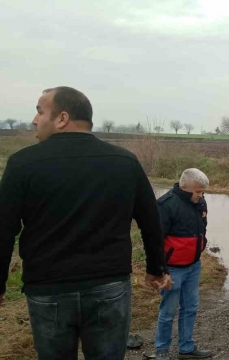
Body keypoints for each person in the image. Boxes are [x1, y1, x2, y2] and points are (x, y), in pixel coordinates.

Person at [0, 86, 171, 360]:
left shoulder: (23, 164)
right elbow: (151, 220)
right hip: (109, 286)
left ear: (62, 118)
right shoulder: (124, 162)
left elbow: (3, 231)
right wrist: (156, 269)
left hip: (48, 289)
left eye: (39, 111)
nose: (34, 120)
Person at [154, 168, 213, 359]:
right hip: (172, 268)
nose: (201, 195)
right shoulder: (166, 205)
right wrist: (161, 271)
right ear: (184, 186)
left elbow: (202, 229)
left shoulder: (200, 202)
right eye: (197, 191)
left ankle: (186, 348)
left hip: (193, 266)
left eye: (203, 191)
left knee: (190, 308)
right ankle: (162, 350)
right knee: (168, 311)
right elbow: (155, 241)